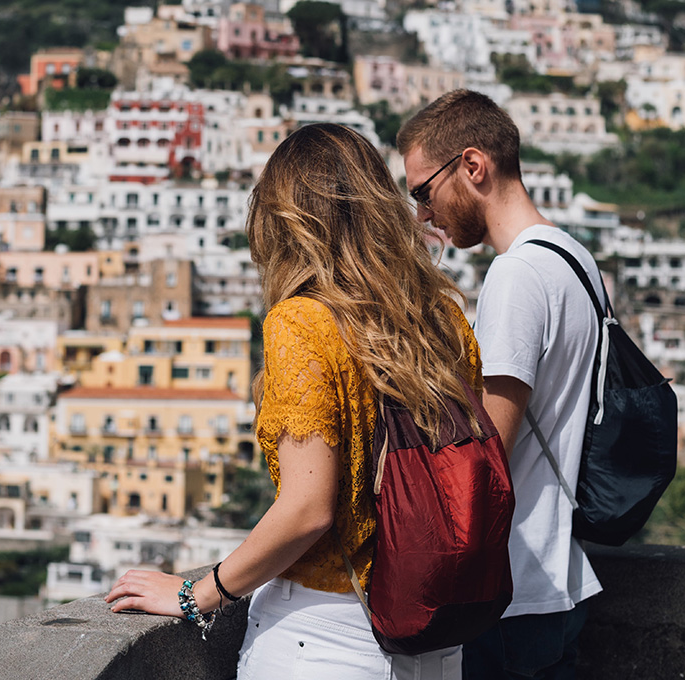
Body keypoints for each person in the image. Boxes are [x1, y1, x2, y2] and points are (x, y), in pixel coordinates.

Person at [105, 122, 483, 679]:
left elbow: (307, 510)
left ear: (287, 221)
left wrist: (196, 593)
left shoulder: (302, 324)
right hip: (434, 638)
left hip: (321, 637)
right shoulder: (442, 318)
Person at [396, 89, 603, 680]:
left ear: (472, 166)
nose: (423, 213)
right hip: (562, 573)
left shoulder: (515, 275)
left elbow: (487, 453)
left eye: (422, 191)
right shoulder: (574, 260)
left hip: (513, 588)